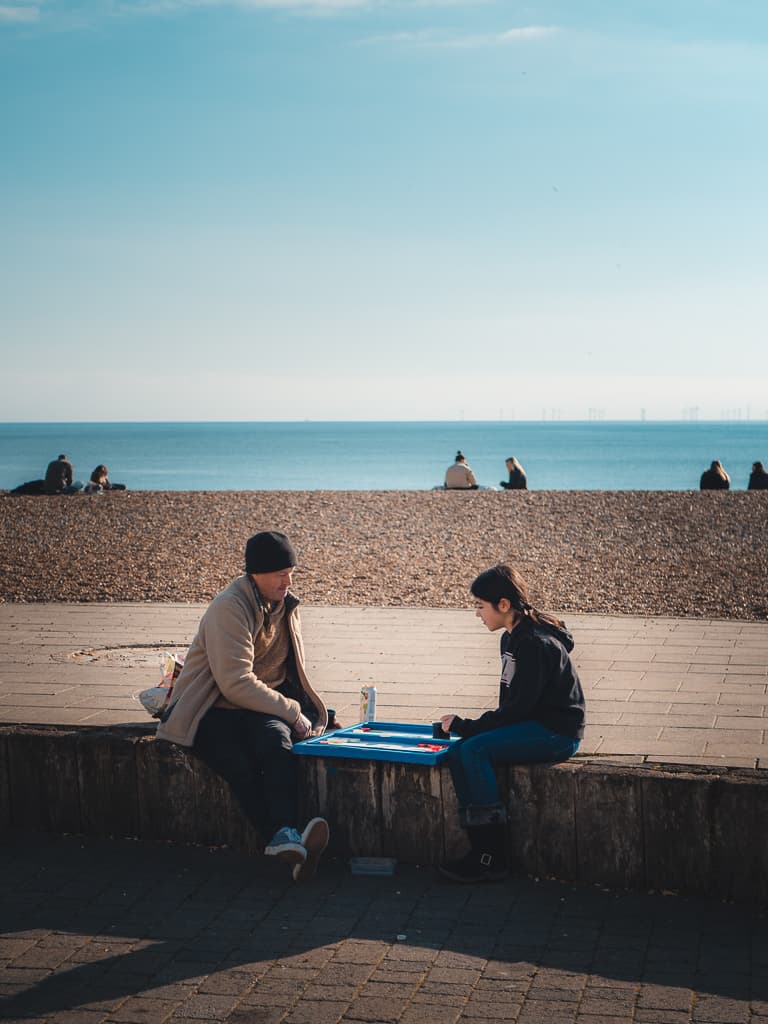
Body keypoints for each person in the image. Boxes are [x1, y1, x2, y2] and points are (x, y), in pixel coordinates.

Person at [156, 530, 331, 882]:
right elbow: (234, 684)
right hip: (210, 707)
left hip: (258, 704)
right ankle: (283, 837)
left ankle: (287, 840)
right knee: (239, 763)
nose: (288, 582)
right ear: (256, 574)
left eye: (290, 573)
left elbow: (288, 671)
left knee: (277, 746)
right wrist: (292, 711)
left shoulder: (285, 605)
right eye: (280, 574)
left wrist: (310, 712)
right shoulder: (229, 607)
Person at [437, 564, 585, 883]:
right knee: (458, 752)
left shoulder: (535, 644)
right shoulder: (511, 638)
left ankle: (491, 857)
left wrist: (467, 725)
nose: (477, 614)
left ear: (503, 605)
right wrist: (471, 729)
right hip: (532, 725)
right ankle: (480, 851)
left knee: (473, 750)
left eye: (480, 606)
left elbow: (517, 709)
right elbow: (511, 706)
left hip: (557, 733)